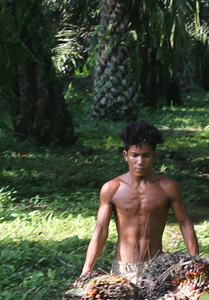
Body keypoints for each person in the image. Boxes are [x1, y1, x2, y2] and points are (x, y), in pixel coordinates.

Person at [80, 120, 199, 283]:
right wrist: (86, 270)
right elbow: (101, 230)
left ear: (154, 156)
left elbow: (185, 223)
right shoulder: (112, 189)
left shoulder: (167, 188)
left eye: (146, 156)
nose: (140, 162)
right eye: (135, 155)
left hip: (156, 267)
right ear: (126, 155)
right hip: (122, 269)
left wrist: (195, 262)